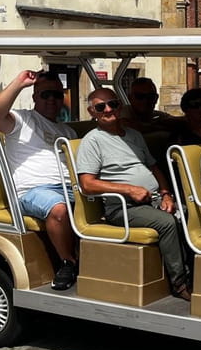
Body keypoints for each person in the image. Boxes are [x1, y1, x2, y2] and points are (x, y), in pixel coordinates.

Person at [76, 88, 190, 300]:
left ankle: (194, 273)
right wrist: (128, 189)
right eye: (101, 107)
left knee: (186, 213)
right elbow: (87, 184)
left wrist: (166, 194)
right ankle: (180, 283)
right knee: (167, 222)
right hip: (123, 207)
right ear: (92, 112)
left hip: (152, 199)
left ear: (120, 106)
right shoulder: (92, 141)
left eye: (113, 104)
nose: (108, 109)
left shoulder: (134, 135)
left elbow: (154, 167)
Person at [0, 70, 78, 290]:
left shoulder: (68, 131)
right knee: (58, 209)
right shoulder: (22, 120)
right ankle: (68, 263)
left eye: (57, 95)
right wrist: (19, 83)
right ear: (35, 97)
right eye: (45, 94)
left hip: (70, 188)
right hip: (33, 191)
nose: (52, 99)